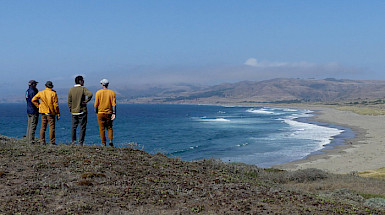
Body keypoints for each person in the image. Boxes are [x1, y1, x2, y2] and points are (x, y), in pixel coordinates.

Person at [32, 81, 60, 145]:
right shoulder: (53, 93)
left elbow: (33, 99)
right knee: (51, 127)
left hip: (43, 112)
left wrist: (39, 106)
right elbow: (56, 105)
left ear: (45, 86)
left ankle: (42, 141)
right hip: (51, 113)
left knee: (43, 127)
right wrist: (58, 113)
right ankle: (52, 142)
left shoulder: (41, 92)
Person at [68, 76, 93, 145]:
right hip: (82, 111)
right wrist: (86, 101)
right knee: (82, 127)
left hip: (74, 112)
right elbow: (90, 94)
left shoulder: (71, 90)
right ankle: (81, 142)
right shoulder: (83, 89)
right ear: (80, 81)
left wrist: (71, 109)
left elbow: (69, 101)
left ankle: (73, 141)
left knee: (73, 127)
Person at [94, 79, 116, 146]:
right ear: (108, 84)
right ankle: (110, 140)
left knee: (102, 129)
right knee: (109, 127)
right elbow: (113, 104)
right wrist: (114, 113)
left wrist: (96, 112)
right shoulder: (112, 93)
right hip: (109, 113)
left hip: (100, 113)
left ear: (101, 84)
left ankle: (103, 143)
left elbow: (96, 104)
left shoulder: (98, 92)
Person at [25, 80, 39, 144]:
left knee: (29, 125)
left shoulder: (27, 91)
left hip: (28, 109)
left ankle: (28, 138)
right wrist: (38, 107)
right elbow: (34, 101)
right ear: (33, 85)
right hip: (33, 110)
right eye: (35, 84)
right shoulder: (33, 92)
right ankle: (31, 140)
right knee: (33, 125)